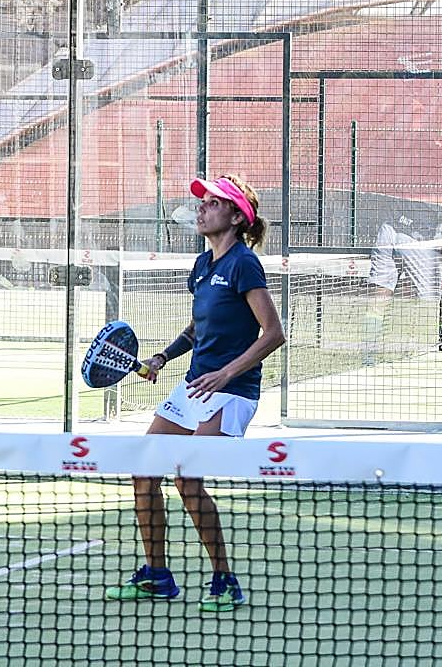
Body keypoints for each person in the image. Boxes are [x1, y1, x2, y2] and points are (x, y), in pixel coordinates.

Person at [105, 174, 285, 612]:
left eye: (213, 202)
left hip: (233, 390)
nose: (202, 208)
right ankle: (157, 576)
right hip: (194, 384)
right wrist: (164, 356)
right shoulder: (203, 266)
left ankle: (224, 579)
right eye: (202, 202)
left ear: (237, 216)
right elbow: (199, 326)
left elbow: (274, 333)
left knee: (187, 477)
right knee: (144, 470)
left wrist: (226, 374)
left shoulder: (244, 264)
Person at [364, 203, 442, 364]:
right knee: (429, 303)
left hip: (389, 229)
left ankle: (369, 357)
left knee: (378, 299)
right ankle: (414, 354)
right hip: (420, 240)